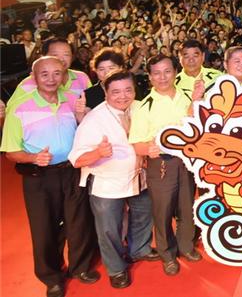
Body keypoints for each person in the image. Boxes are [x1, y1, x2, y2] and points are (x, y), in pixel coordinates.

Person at [1, 56, 97, 297]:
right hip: (39, 177)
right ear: (34, 77)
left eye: (57, 73)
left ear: (64, 76)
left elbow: (83, 130)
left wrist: (79, 117)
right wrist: (33, 158)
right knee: (44, 227)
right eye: (45, 74)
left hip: (72, 170)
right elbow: (11, 151)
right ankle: (52, 277)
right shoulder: (19, 107)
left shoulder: (71, 100)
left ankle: (80, 268)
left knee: (78, 222)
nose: (52, 79)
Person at [68, 71, 158, 289]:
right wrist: (98, 153)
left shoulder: (140, 107)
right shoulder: (94, 119)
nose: (123, 96)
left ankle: (140, 249)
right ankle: (116, 268)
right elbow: (77, 160)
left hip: (138, 176)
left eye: (128, 90)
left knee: (144, 214)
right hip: (107, 182)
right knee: (109, 229)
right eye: (115, 92)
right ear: (105, 92)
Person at [129, 55, 203, 275]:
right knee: (162, 213)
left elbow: (195, 124)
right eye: (157, 73)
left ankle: (186, 246)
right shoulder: (145, 106)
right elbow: (136, 144)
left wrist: (196, 101)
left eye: (167, 71)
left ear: (175, 71)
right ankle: (167, 254)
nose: (163, 77)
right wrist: (148, 149)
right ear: (150, 77)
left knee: (187, 206)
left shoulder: (186, 97)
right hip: (160, 166)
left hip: (186, 162)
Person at [7, 37, 91, 107]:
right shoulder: (27, 84)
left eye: (66, 55)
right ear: (43, 56)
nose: (61, 59)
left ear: (72, 57)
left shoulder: (82, 78)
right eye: (55, 55)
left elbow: (92, 105)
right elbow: (12, 111)